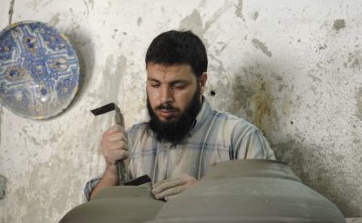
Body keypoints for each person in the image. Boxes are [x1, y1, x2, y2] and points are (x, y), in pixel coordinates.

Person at [84, 30, 275, 201]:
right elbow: (96, 211)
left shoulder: (240, 137)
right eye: (155, 85)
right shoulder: (132, 140)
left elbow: (275, 206)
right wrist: (111, 170)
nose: (164, 98)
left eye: (178, 86)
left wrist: (207, 195)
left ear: (202, 82)